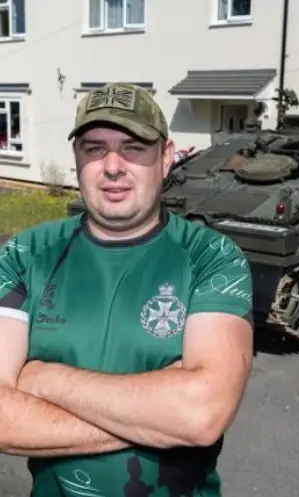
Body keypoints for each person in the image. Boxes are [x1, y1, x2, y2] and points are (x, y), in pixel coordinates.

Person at [0, 83, 255, 496]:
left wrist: (41, 378)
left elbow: (202, 413)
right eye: (94, 148)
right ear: (77, 159)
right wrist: (157, 417)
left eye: (134, 147)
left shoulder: (211, 257)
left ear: (166, 157)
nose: (113, 165)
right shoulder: (27, 254)